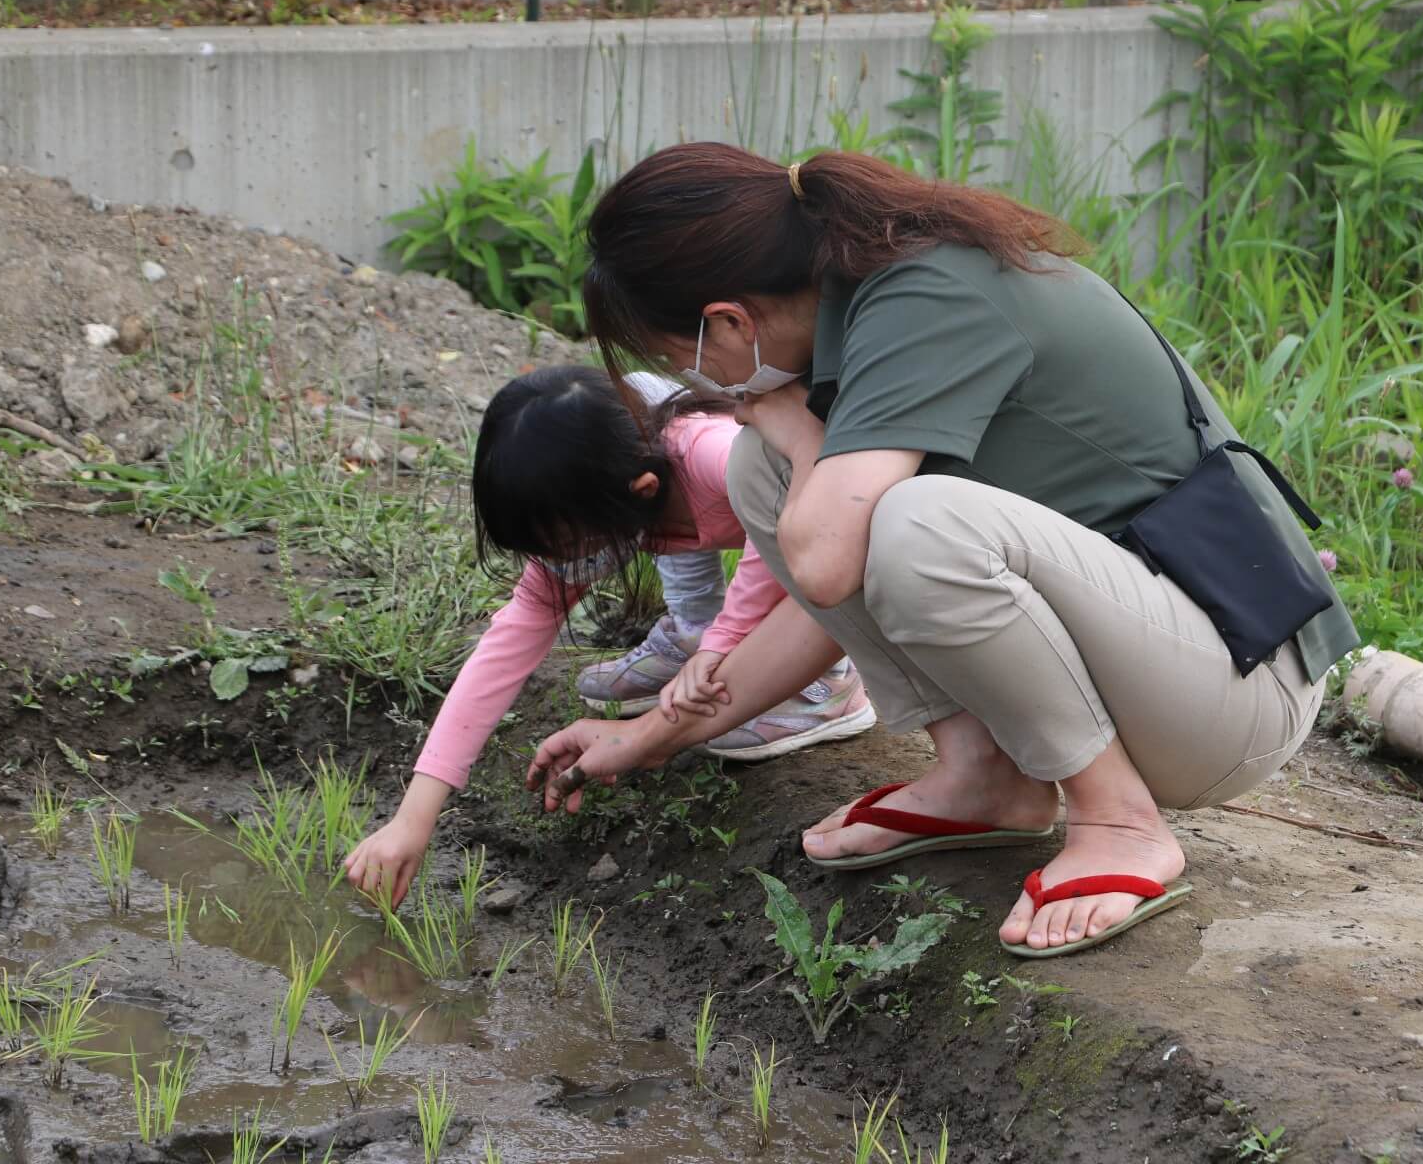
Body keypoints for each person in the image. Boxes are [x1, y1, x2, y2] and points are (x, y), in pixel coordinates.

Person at [527, 145, 1358, 958]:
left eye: (682, 362)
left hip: (1236, 690)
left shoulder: (927, 299)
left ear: (729, 322)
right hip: (1147, 662)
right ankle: (985, 774)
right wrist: (644, 738)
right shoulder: (861, 305)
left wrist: (801, 434)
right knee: (769, 471)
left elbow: (826, 566)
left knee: (913, 521)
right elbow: (832, 603)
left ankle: (1119, 824)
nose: (702, 386)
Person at [343, 364, 876, 908]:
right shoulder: (613, 497)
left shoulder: (719, 455)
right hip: (670, 487)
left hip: (828, 510)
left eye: (565, 546)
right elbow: (506, 647)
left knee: (784, 550)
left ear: (638, 492)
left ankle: (832, 685)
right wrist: (414, 817)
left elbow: (802, 521)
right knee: (701, 598)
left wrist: (727, 638)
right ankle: (694, 638)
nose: (556, 566)